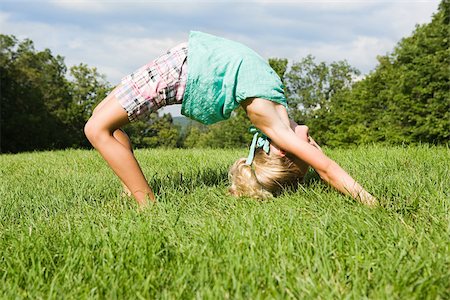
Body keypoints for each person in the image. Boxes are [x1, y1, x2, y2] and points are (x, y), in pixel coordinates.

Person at [84, 31, 377, 207]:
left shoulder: (270, 120)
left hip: (180, 71)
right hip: (184, 60)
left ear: (282, 149)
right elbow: (318, 160)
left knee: (96, 128)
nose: (312, 138)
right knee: (103, 120)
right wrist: (310, 156)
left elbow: (325, 168)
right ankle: (130, 185)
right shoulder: (280, 112)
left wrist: (371, 202)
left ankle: (146, 204)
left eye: (310, 145)